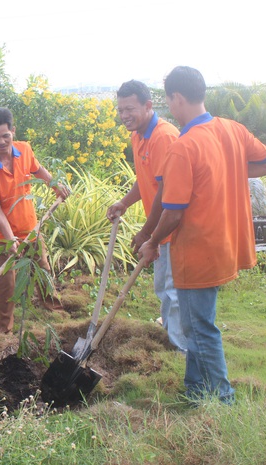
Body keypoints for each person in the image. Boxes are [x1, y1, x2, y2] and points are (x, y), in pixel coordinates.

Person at [138, 66, 266, 405]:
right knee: (196, 323)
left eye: (169, 100)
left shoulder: (184, 147)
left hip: (198, 251)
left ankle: (223, 400)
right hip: (228, 244)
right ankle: (195, 389)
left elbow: (173, 211)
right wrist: (227, 169)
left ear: (177, 98)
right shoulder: (232, 130)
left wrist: (152, 242)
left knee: (200, 329)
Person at [108, 80, 187, 352]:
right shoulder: (138, 135)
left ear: (148, 105)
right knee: (164, 289)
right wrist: (124, 203)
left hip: (177, 228)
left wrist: (147, 234)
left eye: (130, 108)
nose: (124, 115)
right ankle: (171, 336)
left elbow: (166, 193)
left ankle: (181, 350)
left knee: (174, 292)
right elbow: (146, 180)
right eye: (120, 110)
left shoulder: (163, 137)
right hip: (162, 228)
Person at [0, 107, 70, 334]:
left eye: (5, 136)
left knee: (43, 269)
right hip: (4, 235)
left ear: (13, 131)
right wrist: (10, 240)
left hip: (31, 227)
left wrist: (55, 185)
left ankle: (53, 309)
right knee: (6, 282)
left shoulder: (24, 150)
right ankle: (4, 329)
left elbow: (38, 170)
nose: (1, 141)